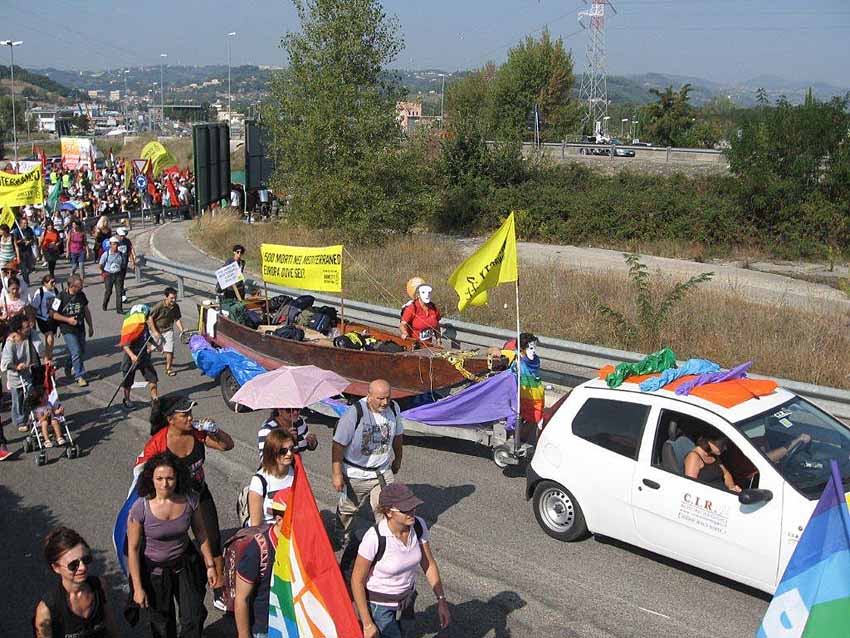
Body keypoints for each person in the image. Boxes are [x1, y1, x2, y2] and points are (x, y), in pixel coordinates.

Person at [145, 395, 235, 606]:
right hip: (174, 502)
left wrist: (215, 430)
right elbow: (146, 481)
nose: (190, 418)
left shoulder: (196, 432)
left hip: (199, 494)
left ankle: (219, 590)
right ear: (170, 419)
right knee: (177, 549)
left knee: (213, 542)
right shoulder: (157, 445)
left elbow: (227, 446)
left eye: (190, 413)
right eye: (184, 415)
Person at [127, 452, 217, 638]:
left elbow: (201, 533)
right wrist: (137, 588)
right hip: (155, 573)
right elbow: (133, 549)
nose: (165, 484)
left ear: (178, 478)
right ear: (151, 479)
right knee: (162, 624)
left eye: (170, 478)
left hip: (184, 567)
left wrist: (210, 566)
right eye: (159, 479)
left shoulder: (190, 500)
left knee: (194, 616)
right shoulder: (140, 508)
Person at [351, 483, 450, 638]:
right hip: (379, 605)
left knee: (407, 632)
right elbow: (357, 581)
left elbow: (428, 564)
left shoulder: (418, 526)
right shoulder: (374, 538)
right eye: (405, 509)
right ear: (388, 512)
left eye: (413, 506)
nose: (412, 512)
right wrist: (367, 623)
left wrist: (441, 600)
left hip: (407, 599)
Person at [332, 379, 404, 544]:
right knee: (348, 510)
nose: (385, 402)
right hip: (356, 474)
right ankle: (341, 537)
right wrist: (337, 474)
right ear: (369, 396)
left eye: (388, 397)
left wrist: (398, 458)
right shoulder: (354, 413)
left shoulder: (394, 408)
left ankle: (385, 544)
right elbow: (338, 444)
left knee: (386, 510)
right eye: (380, 398)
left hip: (382, 472)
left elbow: (398, 436)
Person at [33, 527, 118, 638]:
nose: (83, 567)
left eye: (86, 560)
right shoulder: (46, 610)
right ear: (56, 568)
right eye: (73, 565)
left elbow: (110, 623)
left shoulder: (99, 586)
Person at [234, 494, 287, 638]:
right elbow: (241, 598)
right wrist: (244, 634)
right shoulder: (257, 549)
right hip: (266, 629)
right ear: (279, 520)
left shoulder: (300, 544)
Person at [1, 314, 43, 434]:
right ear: (18, 330)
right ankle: (20, 421)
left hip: (29, 373)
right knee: (18, 400)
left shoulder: (31, 335)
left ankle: (36, 416)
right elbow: (6, 363)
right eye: (26, 326)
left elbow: (40, 347)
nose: (30, 327)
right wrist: (17, 367)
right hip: (16, 376)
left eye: (29, 325)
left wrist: (45, 357)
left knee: (33, 395)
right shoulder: (10, 343)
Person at [50, 274, 94, 387]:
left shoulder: (81, 295)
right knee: (76, 351)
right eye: (79, 286)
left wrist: (90, 326)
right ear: (72, 286)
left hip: (80, 327)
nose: (81, 288)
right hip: (67, 329)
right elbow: (53, 314)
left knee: (81, 350)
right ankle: (79, 376)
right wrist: (68, 320)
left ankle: (69, 363)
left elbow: (86, 310)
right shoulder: (60, 296)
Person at [247, 429, 296, 527]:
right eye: (283, 451)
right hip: (267, 529)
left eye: (291, 449)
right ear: (272, 452)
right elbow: (255, 526)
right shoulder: (259, 481)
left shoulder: (296, 473)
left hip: (290, 526)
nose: (289, 453)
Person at [121, 304, 158, 410]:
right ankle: (127, 400)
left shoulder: (144, 325)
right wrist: (132, 356)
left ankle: (155, 399)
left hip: (143, 356)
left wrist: (156, 345)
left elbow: (148, 337)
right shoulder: (132, 328)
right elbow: (125, 346)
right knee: (128, 381)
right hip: (131, 358)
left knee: (152, 378)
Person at [147, 287, 185, 377]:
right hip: (156, 329)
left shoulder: (176, 306)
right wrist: (155, 332)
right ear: (166, 297)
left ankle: (168, 369)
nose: (174, 300)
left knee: (170, 350)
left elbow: (177, 319)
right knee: (151, 349)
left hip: (168, 330)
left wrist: (182, 330)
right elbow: (150, 318)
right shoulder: (159, 305)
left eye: (175, 298)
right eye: (172, 298)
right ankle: (143, 361)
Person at [26, 383, 66, 448]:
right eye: (46, 395)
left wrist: (59, 411)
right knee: (44, 423)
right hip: (42, 422)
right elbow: (40, 419)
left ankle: (59, 438)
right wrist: (46, 415)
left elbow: (54, 411)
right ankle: (47, 440)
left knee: (55, 421)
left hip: (51, 419)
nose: (48, 396)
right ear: (40, 399)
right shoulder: (38, 409)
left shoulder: (48, 403)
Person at [31, 274, 58, 362]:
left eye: (54, 282)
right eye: (51, 282)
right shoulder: (40, 292)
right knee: (50, 336)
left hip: (52, 319)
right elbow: (33, 308)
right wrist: (33, 322)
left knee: (49, 338)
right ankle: (48, 358)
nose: (54, 284)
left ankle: (48, 355)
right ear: (45, 283)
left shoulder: (55, 291)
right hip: (42, 319)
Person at [99, 236, 126, 314]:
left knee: (119, 292)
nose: (115, 246)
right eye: (113, 244)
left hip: (118, 275)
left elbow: (123, 264)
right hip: (108, 275)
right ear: (110, 245)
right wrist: (102, 273)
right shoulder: (106, 254)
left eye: (116, 244)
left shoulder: (120, 254)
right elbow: (100, 265)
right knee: (109, 291)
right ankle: (105, 304)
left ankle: (119, 309)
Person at [13, 215, 37, 284]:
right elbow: (15, 242)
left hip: (28, 250)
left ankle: (26, 275)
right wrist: (21, 241)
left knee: (30, 267)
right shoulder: (16, 231)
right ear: (20, 224)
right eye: (24, 223)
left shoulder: (29, 229)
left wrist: (29, 241)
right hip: (20, 251)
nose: (26, 225)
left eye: (26, 223)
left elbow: (33, 238)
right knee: (23, 268)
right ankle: (26, 282)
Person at [116, 227, 136, 305]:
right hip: (116, 265)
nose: (122, 237)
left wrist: (133, 262)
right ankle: (122, 295)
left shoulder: (127, 241)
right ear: (117, 235)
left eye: (123, 236)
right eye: (121, 236)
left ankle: (122, 294)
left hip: (124, 264)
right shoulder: (114, 242)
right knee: (119, 280)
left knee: (122, 280)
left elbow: (129, 252)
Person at [65, 220, 87, 284]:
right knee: (74, 266)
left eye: (75, 225)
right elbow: (68, 242)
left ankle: (82, 281)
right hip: (73, 251)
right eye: (73, 225)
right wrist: (67, 251)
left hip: (81, 251)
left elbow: (85, 242)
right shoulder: (71, 232)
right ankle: (72, 273)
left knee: (81, 266)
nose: (74, 226)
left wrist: (87, 251)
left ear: (78, 225)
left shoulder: (82, 233)